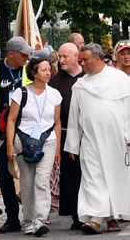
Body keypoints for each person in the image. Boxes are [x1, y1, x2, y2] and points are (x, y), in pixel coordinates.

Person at [64, 43, 130, 234]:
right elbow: (74, 118)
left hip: (115, 139)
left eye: (85, 60)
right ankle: (96, 220)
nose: (82, 63)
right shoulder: (81, 85)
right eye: (81, 60)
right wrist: (72, 145)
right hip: (90, 140)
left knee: (112, 178)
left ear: (98, 59)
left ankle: (111, 217)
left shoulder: (119, 79)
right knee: (93, 179)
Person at [6, 58, 62, 236]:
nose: (48, 73)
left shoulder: (54, 94)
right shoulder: (20, 93)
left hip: (48, 140)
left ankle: (40, 220)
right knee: (27, 182)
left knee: (42, 179)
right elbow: (11, 120)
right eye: (44, 70)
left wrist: (58, 148)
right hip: (23, 140)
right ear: (33, 72)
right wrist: (9, 145)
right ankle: (28, 221)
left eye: (49, 69)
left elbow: (57, 122)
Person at [0, 36, 33, 233]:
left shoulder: (30, 69)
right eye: (23, 54)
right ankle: (12, 218)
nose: (27, 56)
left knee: (29, 173)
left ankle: (34, 217)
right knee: (5, 175)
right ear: (11, 54)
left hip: (25, 128)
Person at [48, 43, 85, 230]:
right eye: (59, 56)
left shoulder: (87, 77)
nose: (61, 60)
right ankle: (76, 215)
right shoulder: (55, 81)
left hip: (86, 134)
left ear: (76, 56)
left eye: (65, 56)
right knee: (70, 175)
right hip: (64, 133)